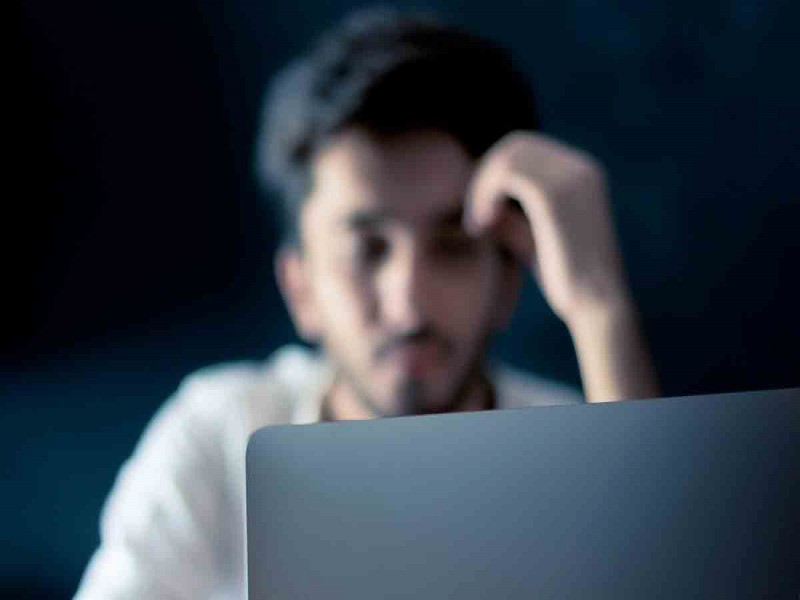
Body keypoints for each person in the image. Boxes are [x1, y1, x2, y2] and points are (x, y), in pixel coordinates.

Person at [74, 7, 659, 599]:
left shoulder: (586, 453)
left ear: (507, 282)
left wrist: (599, 307)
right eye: (366, 249)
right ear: (300, 288)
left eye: (453, 245)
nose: (408, 306)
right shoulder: (220, 437)